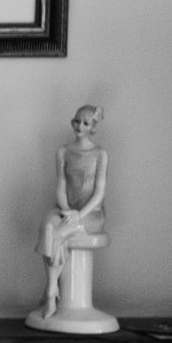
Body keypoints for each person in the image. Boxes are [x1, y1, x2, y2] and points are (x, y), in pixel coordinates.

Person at [37, 104, 108, 317]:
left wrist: (80, 214)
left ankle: (50, 291)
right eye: (77, 121)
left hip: (91, 214)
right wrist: (67, 210)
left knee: (59, 234)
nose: (79, 125)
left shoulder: (100, 154)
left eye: (85, 123)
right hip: (66, 209)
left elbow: (99, 193)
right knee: (47, 227)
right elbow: (60, 186)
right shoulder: (63, 152)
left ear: (92, 128)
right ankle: (52, 287)